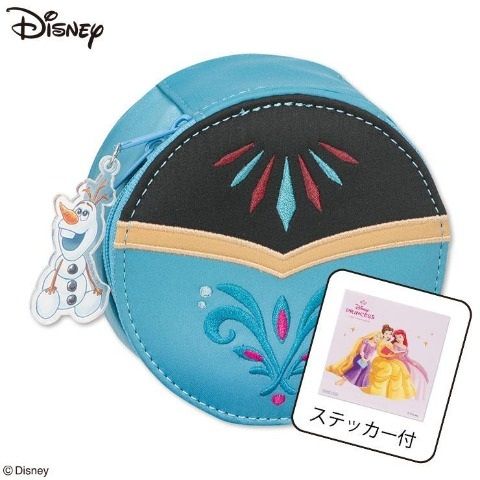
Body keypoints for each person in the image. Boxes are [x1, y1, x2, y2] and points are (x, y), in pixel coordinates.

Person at [361, 324, 416, 400]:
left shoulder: (389, 342)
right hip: (380, 360)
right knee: (388, 368)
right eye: (386, 333)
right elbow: (380, 352)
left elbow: (391, 351)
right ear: (383, 333)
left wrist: (393, 354)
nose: (388, 335)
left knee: (399, 367)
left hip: (389, 359)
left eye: (389, 334)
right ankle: (380, 392)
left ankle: (394, 393)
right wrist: (390, 354)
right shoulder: (380, 341)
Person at [392, 329, 429, 400]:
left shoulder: (405, 346)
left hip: (405, 360)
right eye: (396, 337)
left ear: (403, 337)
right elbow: (394, 352)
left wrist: (412, 362)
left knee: (416, 369)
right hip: (397, 359)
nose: (398, 339)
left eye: (400, 337)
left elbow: (406, 356)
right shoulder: (395, 344)